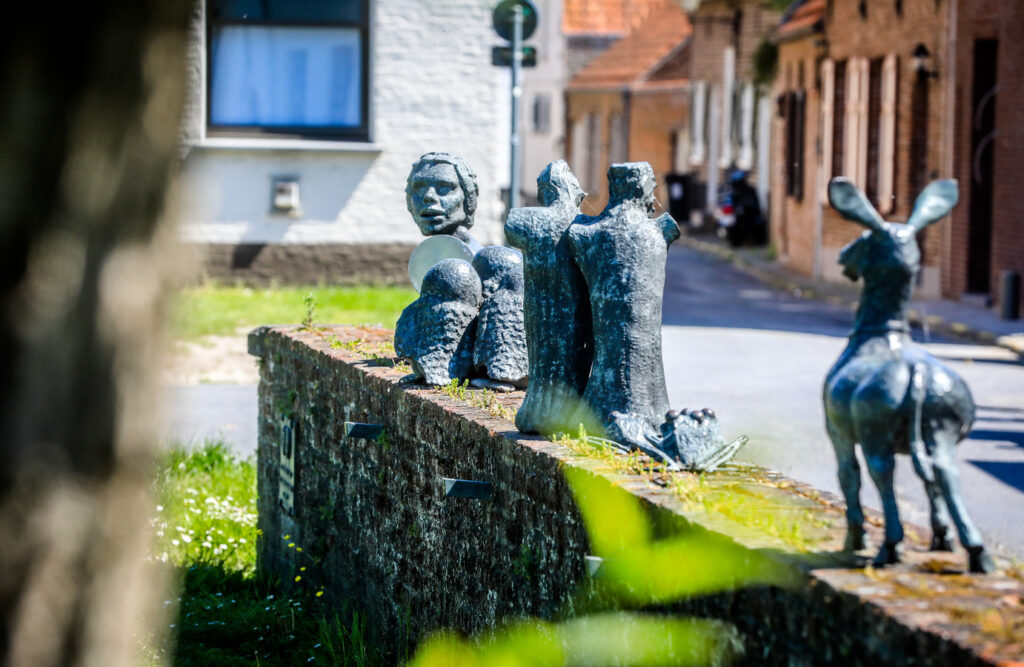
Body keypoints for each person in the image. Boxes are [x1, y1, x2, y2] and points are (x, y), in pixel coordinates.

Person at [405, 152, 482, 250]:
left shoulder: (481, 261)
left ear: (468, 199)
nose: (428, 196)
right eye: (420, 189)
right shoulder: (427, 257)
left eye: (444, 188)